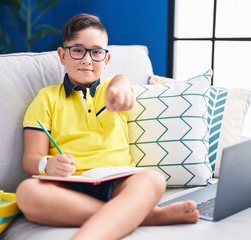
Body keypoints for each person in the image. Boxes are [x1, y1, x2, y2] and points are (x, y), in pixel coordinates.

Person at [16, 13, 199, 240]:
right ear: (62, 55)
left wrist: (119, 88)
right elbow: (30, 159)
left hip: (119, 182)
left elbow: (121, 83)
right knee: (26, 193)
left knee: (154, 179)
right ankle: (146, 216)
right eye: (77, 50)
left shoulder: (113, 87)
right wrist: (47, 164)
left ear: (107, 59)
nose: (87, 59)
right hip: (68, 188)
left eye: (96, 52)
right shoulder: (45, 98)